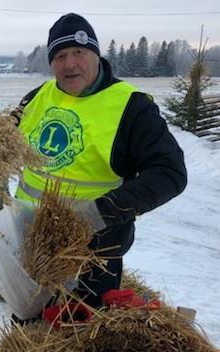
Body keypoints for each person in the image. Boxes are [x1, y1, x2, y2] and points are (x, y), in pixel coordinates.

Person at [13, 13, 187, 312]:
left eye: (79, 53)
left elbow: (169, 173)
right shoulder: (36, 97)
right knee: (26, 332)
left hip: (91, 259)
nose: (70, 64)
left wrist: (99, 213)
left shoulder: (131, 106)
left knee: (75, 345)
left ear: (96, 54)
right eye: (60, 55)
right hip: (29, 248)